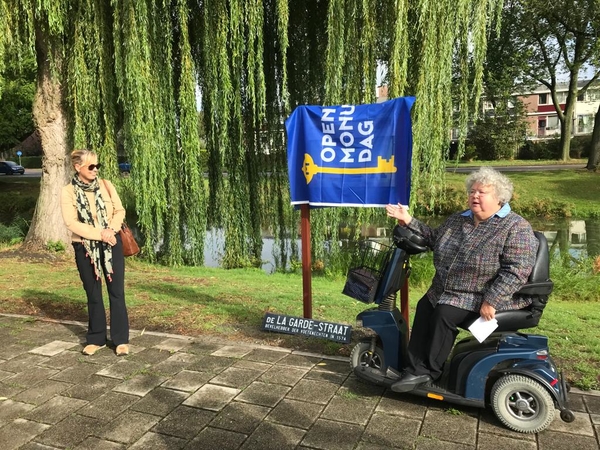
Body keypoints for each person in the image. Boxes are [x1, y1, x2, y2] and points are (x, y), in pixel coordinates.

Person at [385, 166, 538, 392]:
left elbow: (516, 270)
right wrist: (408, 220)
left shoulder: (516, 227)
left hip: (481, 296)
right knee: (425, 305)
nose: (474, 196)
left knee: (444, 314)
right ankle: (414, 368)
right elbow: (434, 238)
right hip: (446, 290)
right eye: (472, 191)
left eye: (481, 192)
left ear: (499, 198)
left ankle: (428, 372)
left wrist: (492, 300)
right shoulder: (459, 219)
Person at [61, 149, 130, 357]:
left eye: (97, 165)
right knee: (93, 293)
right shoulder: (68, 191)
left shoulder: (106, 185)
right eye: (91, 166)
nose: (95, 169)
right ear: (77, 167)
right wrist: (101, 234)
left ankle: (120, 340)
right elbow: (71, 222)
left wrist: (111, 231)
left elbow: (119, 211)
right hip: (84, 245)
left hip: (111, 244)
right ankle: (96, 338)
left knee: (116, 292)